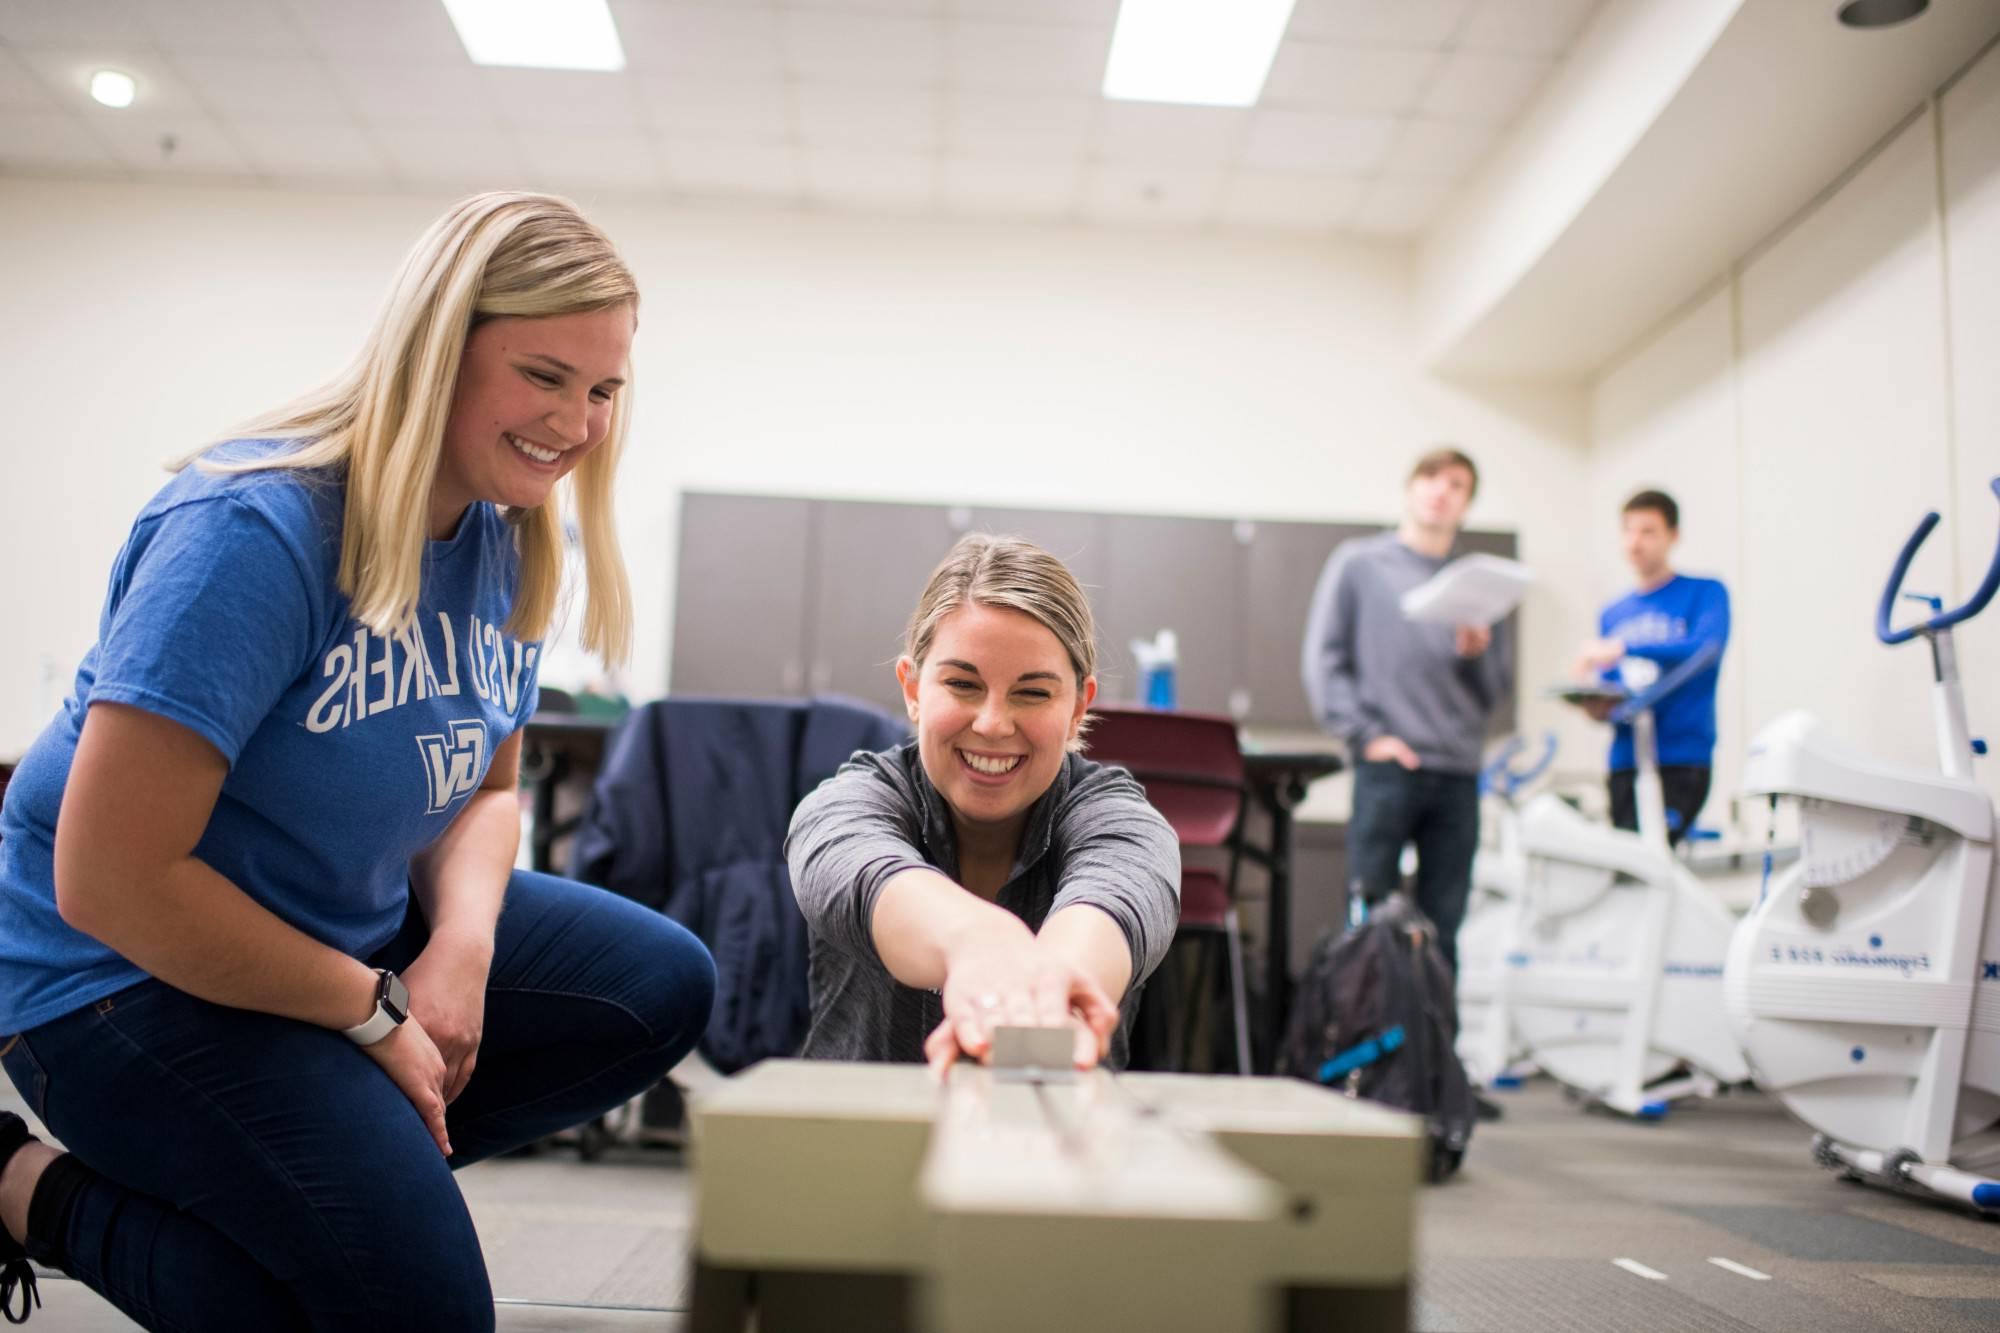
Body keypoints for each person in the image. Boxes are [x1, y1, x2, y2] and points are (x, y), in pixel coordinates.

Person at [0, 192, 716, 1330]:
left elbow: (484, 787)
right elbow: (110, 877)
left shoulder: (514, 528)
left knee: (660, 981)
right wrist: (371, 1011)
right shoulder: (254, 528)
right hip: (112, 974)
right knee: (414, 1316)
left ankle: (311, 1190)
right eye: (544, 376)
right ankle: (24, 1191)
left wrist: (463, 953)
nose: (576, 423)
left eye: (602, 389)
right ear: (438, 349)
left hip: (325, 933)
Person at [787, 534, 1181, 1073]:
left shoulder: (1121, 823)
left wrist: (1044, 997)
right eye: (962, 684)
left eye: (1033, 692)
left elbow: (1115, 904)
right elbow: (856, 865)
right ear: (913, 688)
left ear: (1078, 707)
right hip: (864, 1144)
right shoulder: (849, 805)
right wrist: (981, 942)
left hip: (1053, 1143)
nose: (993, 724)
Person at [1301, 447, 1514, 970]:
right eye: (1432, 478)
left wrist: (1476, 654)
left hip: (1458, 772)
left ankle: (1435, 1050)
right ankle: (1368, 1047)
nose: (1442, 491)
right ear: (1411, 487)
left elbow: (1495, 692)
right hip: (1388, 766)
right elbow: (1323, 661)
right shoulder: (1359, 564)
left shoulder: (1480, 582)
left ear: (1467, 504)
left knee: (1446, 930)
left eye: (1457, 485)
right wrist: (1367, 736)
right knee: (1370, 921)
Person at [1573, 490, 1729, 846]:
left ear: (1673, 536)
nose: (1635, 541)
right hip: (1625, 761)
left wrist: (1624, 646)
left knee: (1658, 860)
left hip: (1681, 757)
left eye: (1648, 531)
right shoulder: (1613, 613)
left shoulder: (1705, 593)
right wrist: (1595, 706)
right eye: (1628, 530)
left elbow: (1707, 648)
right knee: (1628, 869)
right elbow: (1614, 688)